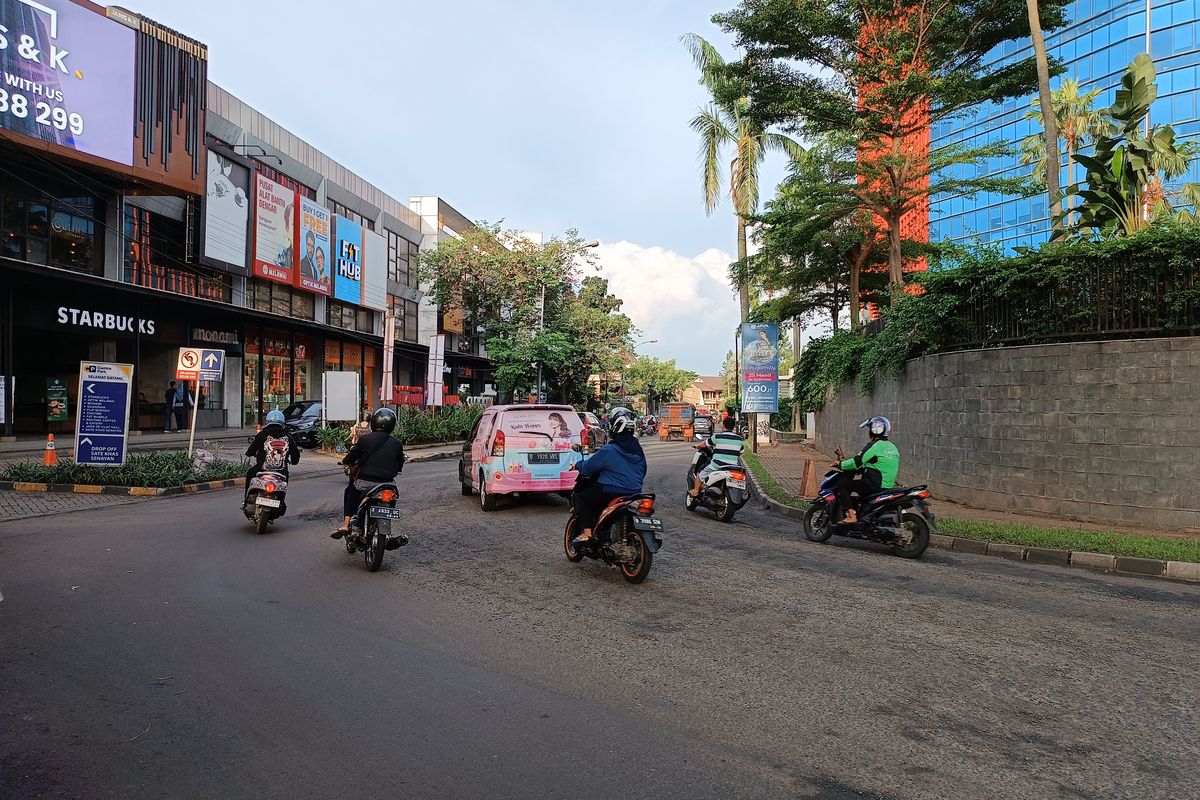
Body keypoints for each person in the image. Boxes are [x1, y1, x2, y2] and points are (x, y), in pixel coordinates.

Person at [571, 407, 646, 545]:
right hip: (635, 492)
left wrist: (577, 465)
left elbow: (588, 469)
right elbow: (643, 471)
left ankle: (587, 534)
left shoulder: (609, 449)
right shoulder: (638, 450)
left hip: (610, 491)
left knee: (583, 497)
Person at [334, 407, 406, 538]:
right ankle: (387, 526)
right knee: (392, 498)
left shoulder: (365, 440)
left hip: (365, 483)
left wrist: (346, 462)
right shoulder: (397, 443)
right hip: (387, 484)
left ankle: (346, 524)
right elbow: (400, 463)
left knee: (350, 490)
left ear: (374, 423)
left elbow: (351, 456)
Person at [836, 416, 900, 522]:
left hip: (874, 485)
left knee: (843, 485)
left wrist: (840, 464)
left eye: (870, 429)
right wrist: (862, 470)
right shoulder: (892, 447)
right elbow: (878, 465)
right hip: (887, 486)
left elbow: (857, 462)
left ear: (874, 430)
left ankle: (851, 516)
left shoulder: (874, 446)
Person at [244, 409, 300, 504]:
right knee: (284, 482)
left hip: (262, 470)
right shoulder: (288, 437)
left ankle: (246, 499)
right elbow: (295, 453)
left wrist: (249, 453)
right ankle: (281, 501)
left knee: (250, 473)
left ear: (268, 421)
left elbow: (252, 449)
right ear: (282, 422)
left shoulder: (262, 435)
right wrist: (294, 461)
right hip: (281, 472)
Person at [689, 414, 745, 497]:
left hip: (717, 465)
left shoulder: (717, 437)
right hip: (733, 466)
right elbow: (741, 451)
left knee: (700, 473)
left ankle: (696, 491)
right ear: (733, 427)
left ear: (723, 425)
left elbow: (704, 444)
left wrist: (697, 445)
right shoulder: (739, 439)